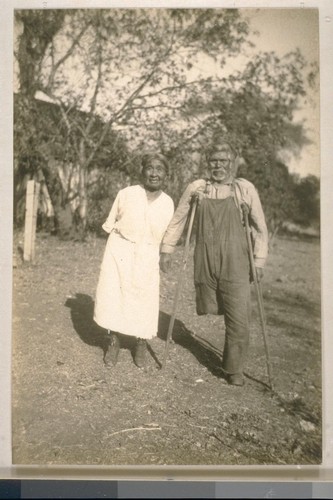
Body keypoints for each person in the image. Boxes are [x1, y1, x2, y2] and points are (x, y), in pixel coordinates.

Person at [160, 142, 268, 386]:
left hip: (237, 261)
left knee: (239, 317)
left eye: (224, 160)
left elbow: (259, 227)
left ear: (233, 162)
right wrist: (167, 250)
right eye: (214, 161)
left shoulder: (244, 189)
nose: (218, 165)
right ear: (207, 163)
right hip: (206, 258)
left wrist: (259, 261)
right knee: (212, 304)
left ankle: (233, 368)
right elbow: (178, 220)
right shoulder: (198, 188)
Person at [94, 153, 174, 368]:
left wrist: (166, 254)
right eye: (150, 167)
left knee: (144, 297)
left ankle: (141, 342)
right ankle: (113, 340)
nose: (154, 173)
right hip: (119, 249)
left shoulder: (168, 203)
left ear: (166, 175)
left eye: (160, 169)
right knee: (113, 294)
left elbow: (169, 234)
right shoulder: (126, 194)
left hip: (149, 253)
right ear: (142, 171)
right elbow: (111, 223)